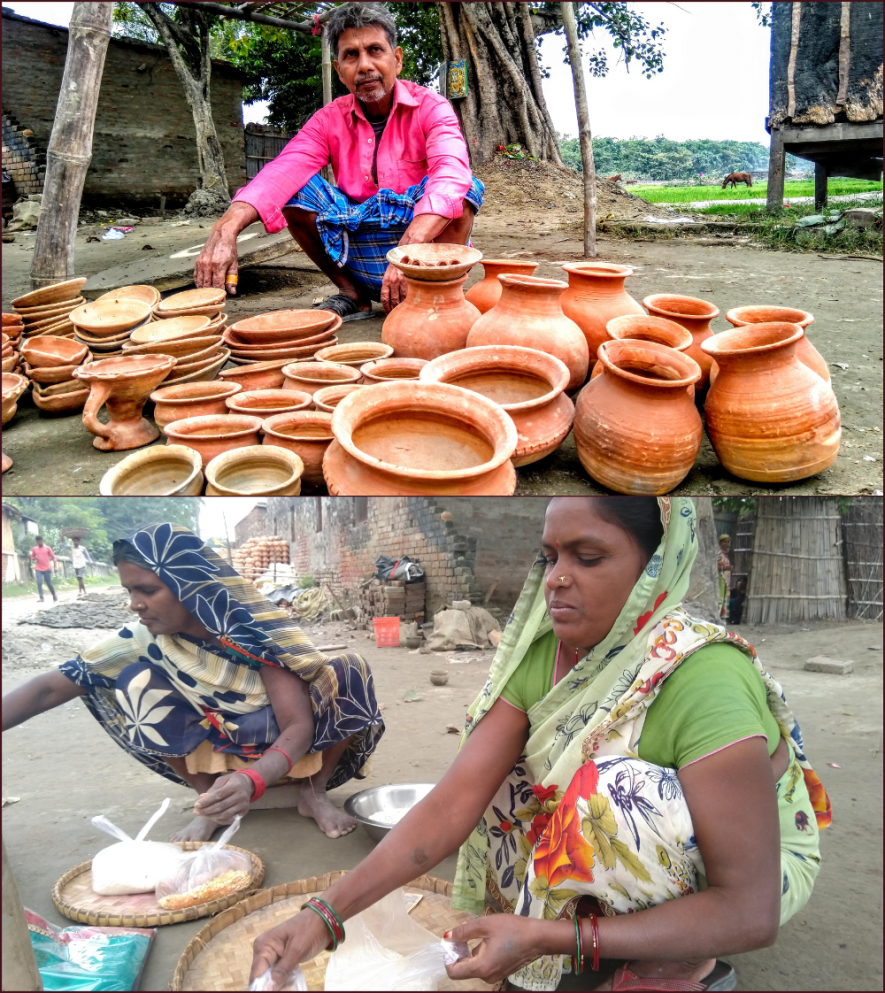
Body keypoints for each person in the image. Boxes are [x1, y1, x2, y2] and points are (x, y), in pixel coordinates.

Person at [249, 497, 830, 992]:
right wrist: (322, 916)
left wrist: (555, 937)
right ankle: (590, 928)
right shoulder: (545, 657)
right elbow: (454, 803)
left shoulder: (703, 676)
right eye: (550, 557)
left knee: (616, 792)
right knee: (508, 774)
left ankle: (683, 963)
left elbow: (751, 911)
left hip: (750, 871)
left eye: (589, 557)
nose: (556, 577)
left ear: (654, 567)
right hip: (635, 852)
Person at [2, 524, 384, 842]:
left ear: (189, 585)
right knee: (135, 682)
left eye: (147, 590)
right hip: (217, 734)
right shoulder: (142, 640)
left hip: (286, 737)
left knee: (348, 669)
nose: (135, 603)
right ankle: (210, 802)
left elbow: (299, 725)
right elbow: (50, 687)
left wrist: (253, 778)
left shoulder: (251, 628)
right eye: (129, 591)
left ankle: (313, 793)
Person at [194, 1, 483, 319]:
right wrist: (226, 229)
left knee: (464, 188)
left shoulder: (432, 107)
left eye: (375, 50)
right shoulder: (327, 120)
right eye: (351, 55)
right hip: (361, 246)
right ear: (339, 70)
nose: (365, 66)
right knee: (293, 189)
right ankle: (352, 293)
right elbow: (282, 172)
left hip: (421, 255)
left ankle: (437, 298)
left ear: (396, 60)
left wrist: (411, 246)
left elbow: (451, 171)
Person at [30, 536, 58, 603]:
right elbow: (32, 557)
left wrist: (55, 567)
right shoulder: (35, 549)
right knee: (39, 582)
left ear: (43, 540)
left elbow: (54, 557)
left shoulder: (47, 548)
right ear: (36, 541)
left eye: (40, 541)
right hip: (38, 568)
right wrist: (34, 558)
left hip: (46, 568)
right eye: (38, 541)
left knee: (48, 583)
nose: (39, 542)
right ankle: (41, 597)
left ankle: (54, 594)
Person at [717, 534, 732, 621]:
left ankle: (722, 617)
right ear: (720, 543)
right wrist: (725, 568)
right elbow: (713, 567)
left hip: (726, 579)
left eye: (728, 542)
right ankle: (718, 615)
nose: (726, 544)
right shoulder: (718, 553)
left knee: (724, 597)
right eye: (724, 542)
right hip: (720, 578)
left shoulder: (725, 554)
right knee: (720, 596)